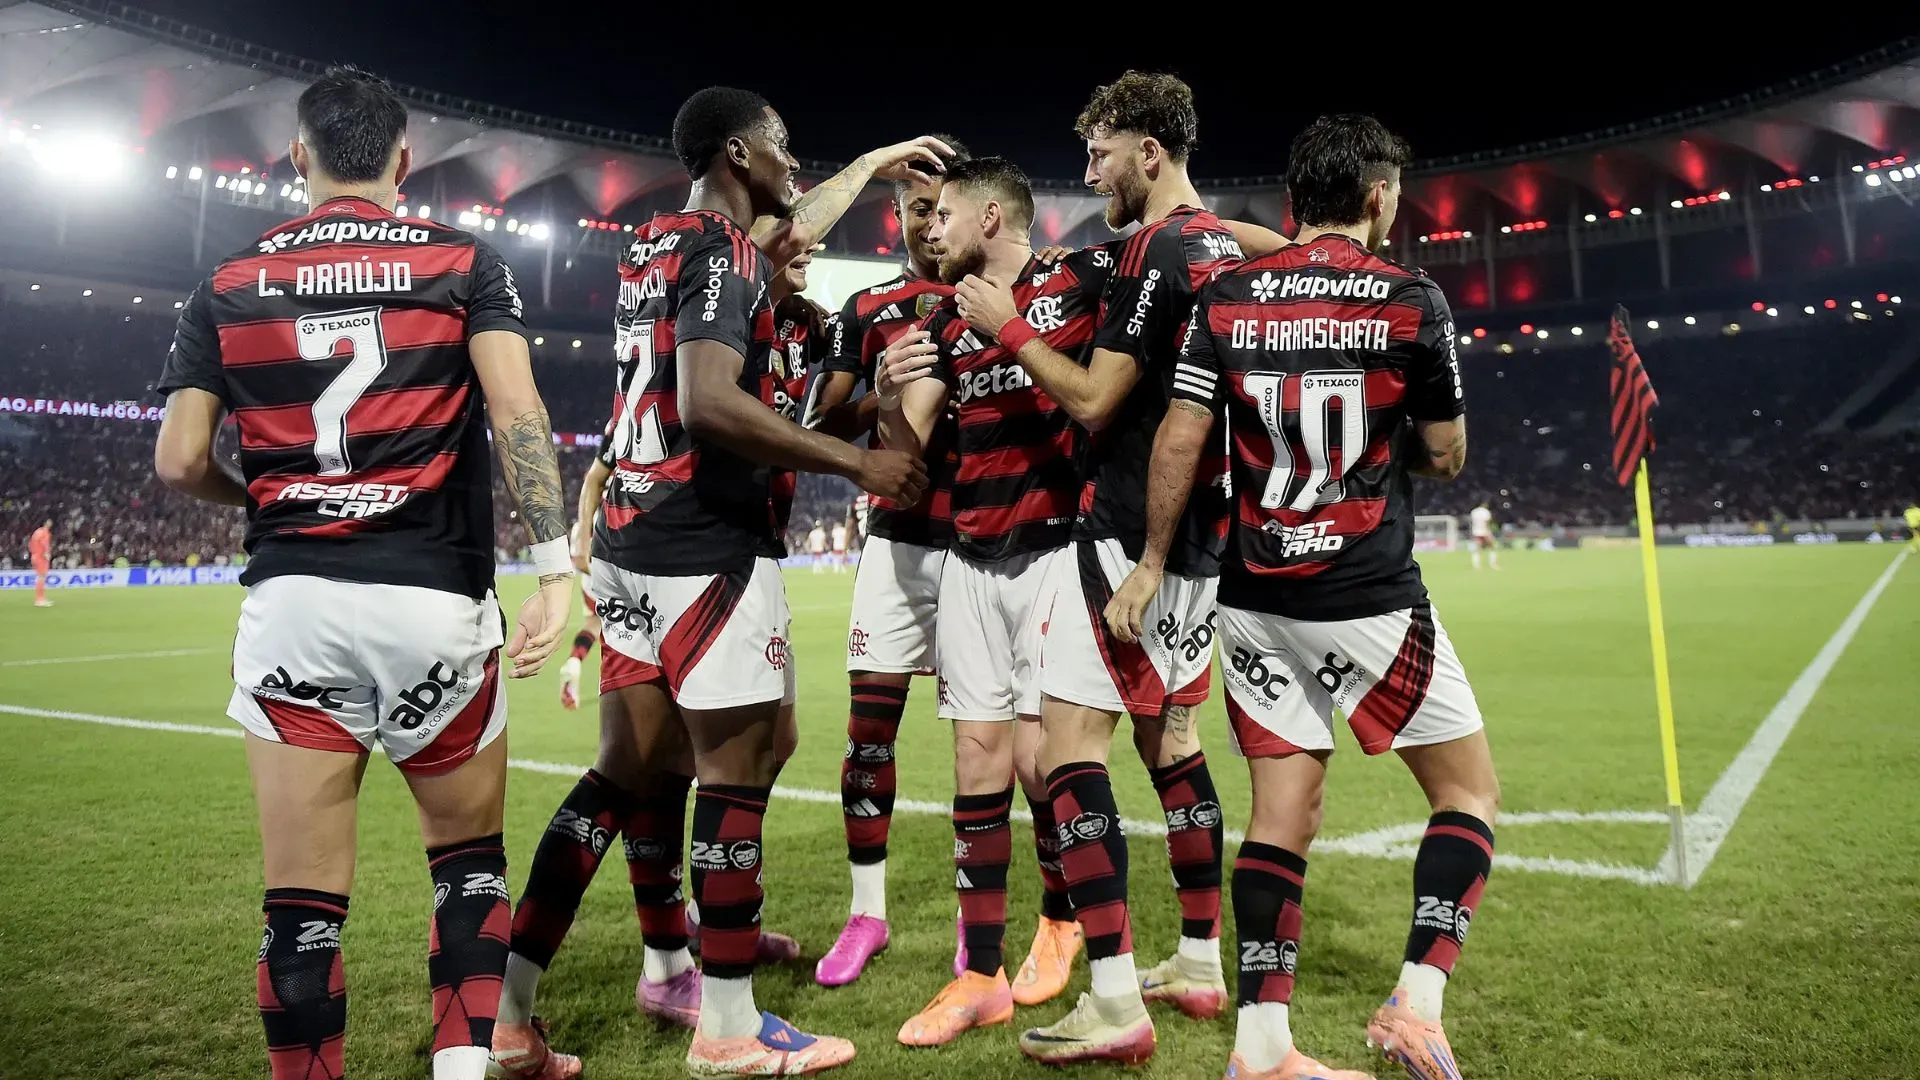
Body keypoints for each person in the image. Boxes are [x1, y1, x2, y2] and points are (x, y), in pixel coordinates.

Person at [494, 85, 939, 1080]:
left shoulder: (659, 244)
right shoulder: (727, 256)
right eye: (781, 152)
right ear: (741, 154)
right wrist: (858, 461)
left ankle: (522, 1008)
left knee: (630, 774)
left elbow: (781, 263)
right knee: (732, 776)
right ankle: (728, 1027)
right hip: (704, 550)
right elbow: (705, 403)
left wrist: (867, 167)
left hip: (634, 545)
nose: (795, 185)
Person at [150, 65, 573, 1080]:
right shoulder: (464, 262)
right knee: (468, 873)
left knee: (299, 906)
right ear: (402, 160)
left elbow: (174, 460)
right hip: (431, 598)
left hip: (294, 604)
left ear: (297, 159)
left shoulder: (228, 281)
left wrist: (270, 498)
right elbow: (517, 413)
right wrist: (558, 570)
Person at [1112, 113, 1497, 1080]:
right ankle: (1417, 1000)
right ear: (1376, 196)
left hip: (1251, 593)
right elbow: (1446, 454)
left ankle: (1262, 1048)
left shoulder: (1230, 297)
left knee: (1282, 817)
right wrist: (1387, 434)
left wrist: (1155, 561)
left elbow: (1179, 437)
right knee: (1467, 793)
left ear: (1297, 199)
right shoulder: (1411, 299)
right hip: (1366, 592)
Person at [965, 71, 1245, 1061]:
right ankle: (1204, 963)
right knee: (1173, 744)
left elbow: (1093, 400)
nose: (1091, 172)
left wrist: (1004, 324)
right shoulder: (1209, 238)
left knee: (1069, 753)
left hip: (1133, 531)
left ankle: (1117, 1001)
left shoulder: (1162, 253)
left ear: (1150, 153)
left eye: (1102, 153)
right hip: (1208, 540)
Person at [874, 157, 1112, 1046]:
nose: (928, 228)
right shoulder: (942, 315)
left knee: (1045, 764)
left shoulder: (1079, 282)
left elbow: (1099, 402)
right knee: (976, 760)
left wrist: (1010, 329)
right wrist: (895, 391)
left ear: (990, 215)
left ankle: (1059, 919)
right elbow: (909, 450)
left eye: (943, 216)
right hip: (970, 557)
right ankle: (978, 973)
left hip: (1059, 548)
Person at [807, 138, 969, 988]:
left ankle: (1007, 926)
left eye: (942, 208)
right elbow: (821, 428)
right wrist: (878, 385)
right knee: (869, 736)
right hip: (899, 549)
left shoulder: (1005, 300)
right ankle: (866, 913)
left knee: (1006, 752)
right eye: (915, 209)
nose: (929, 223)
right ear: (895, 218)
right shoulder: (867, 306)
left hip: (992, 550)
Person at [559, 429, 616, 710]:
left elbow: (593, 479)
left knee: (595, 620)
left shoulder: (610, 446)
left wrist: (581, 537)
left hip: (589, 542)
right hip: (615, 544)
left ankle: (574, 662)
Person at [29, 518, 52, 607]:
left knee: (41, 577)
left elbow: (31, 544)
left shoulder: (37, 532)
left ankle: (41, 599)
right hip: (40, 557)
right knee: (41, 578)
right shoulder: (44, 532)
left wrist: (33, 554)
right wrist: (46, 553)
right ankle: (39, 600)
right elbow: (44, 543)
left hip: (36, 556)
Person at [1468, 503, 1497, 570]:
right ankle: (1493, 564)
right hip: (1484, 531)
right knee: (1492, 547)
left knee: (1478, 549)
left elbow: (1472, 521)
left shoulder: (1474, 511)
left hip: (1476, 531)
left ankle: (1477, 566)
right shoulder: (1485, 512)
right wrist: (1489, 531)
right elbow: (1487, 522)